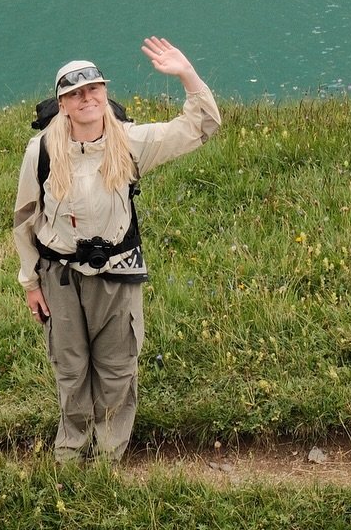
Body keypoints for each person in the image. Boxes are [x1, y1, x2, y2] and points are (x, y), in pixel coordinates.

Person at [14, 37, 220, 462]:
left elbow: (201, 126)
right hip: (60, 277)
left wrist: (187, 74)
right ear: (62, 103)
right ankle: (71, 450)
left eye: (93, 89)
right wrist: (31, 283)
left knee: (117, 367)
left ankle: (109, 454)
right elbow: (25, 219)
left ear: (105, 94)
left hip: (118, 271)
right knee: (70, 368)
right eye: (75, 93)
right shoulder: (42, 151)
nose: (86, 98)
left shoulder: (130, 142)